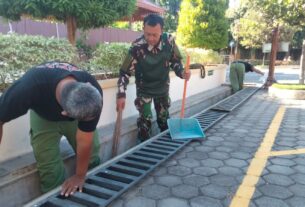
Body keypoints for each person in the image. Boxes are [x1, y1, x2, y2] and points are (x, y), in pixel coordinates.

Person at [0, 61, 103, 197]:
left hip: (74, 109)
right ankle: (55, 197)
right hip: (43, 116)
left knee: (92, 153)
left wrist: (80, 176)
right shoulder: (27, 88)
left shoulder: (92, 94)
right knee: (49, 167)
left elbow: (85, 141)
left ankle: (92, 188)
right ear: (65, 113)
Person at [116, 14, 191, 142]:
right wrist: (121, 94)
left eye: (154, 35)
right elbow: (124, 72)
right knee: (145, 122)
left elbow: (175, 62)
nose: (150, 38)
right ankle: (143, 150)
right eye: (147, 34)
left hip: (162, 88)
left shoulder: (169, 41)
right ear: (143, 30)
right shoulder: (137, 47)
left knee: (164, 120)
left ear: (161, 31)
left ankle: (166, 146)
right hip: (144, 89)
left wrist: (182, 73)